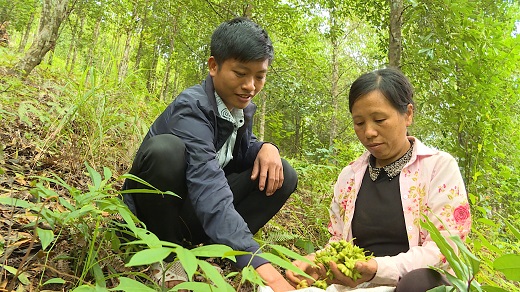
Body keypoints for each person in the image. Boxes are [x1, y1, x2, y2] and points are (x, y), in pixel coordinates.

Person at [122, 17, 297, 291]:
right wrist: (253, 257)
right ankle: (168, 256)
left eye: (259, 76)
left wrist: (266, 147)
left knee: (282, 172)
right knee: (165, 153)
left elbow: (237, 153)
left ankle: (211, 250)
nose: (251, 85)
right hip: (160, 211)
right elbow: (208, 182)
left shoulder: (241, 108)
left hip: (194, 210)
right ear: (213, 66)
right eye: (241, 74)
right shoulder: (192, 107)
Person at [286, 68, 471, 291]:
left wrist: (377, 268)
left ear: (408, 114)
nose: (369, 132)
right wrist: (316, 263)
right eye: (359, 123)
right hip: (357, 285)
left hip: (408, 284)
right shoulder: (350, 177)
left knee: (417, 284)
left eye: (379, 119)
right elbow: (338, 241)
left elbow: (445, 249)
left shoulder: (437, 168)